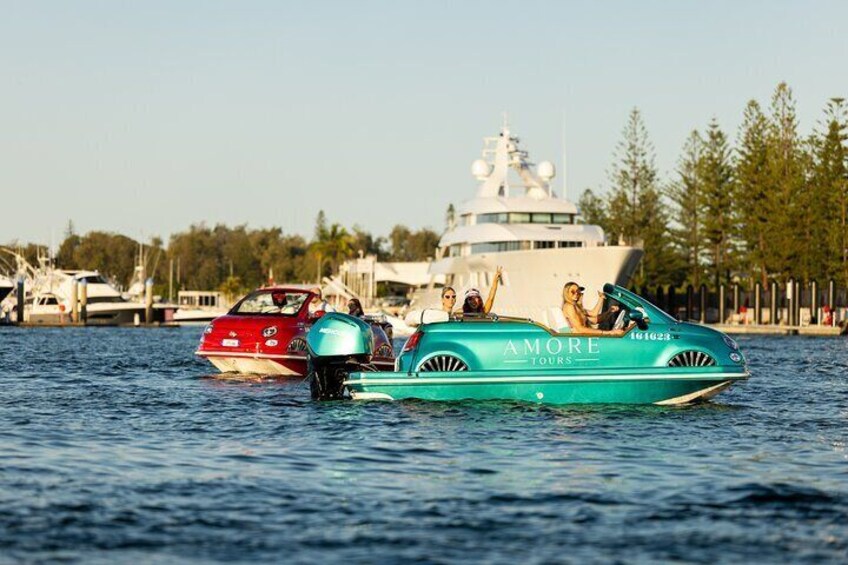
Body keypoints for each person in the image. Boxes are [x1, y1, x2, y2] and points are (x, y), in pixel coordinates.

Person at [561, 281, 626, 336]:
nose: (576, 294)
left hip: (584, 339)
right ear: (567, 293)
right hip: (580, 340)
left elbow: (594, 318)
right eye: (572, 291)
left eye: (578, 291)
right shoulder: (569, 306)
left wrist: (609, 311)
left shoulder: (577, 307)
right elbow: (579, 329)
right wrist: (609, 333)